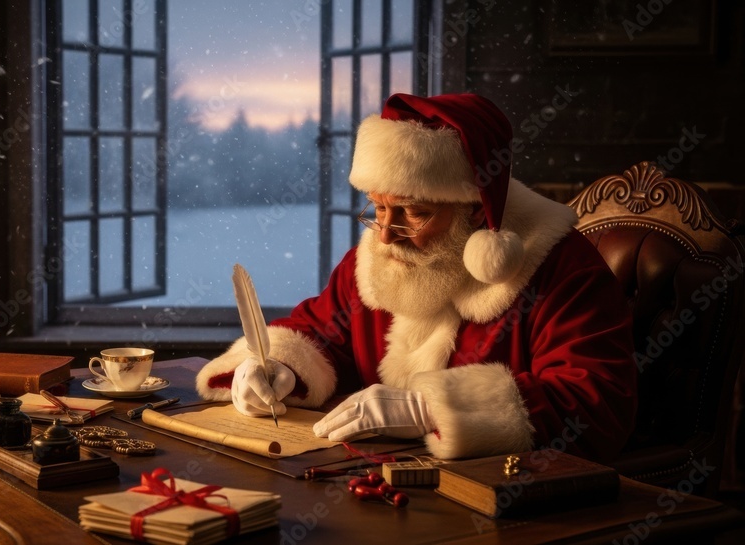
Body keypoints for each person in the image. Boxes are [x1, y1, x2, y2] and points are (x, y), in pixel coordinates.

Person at [195, 92, 638, 462]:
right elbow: (322, 332)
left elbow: (597, 405)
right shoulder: (373, 258)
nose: (386, 235)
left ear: (478, 209)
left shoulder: (562, 269)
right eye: (378, 207)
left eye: (416, 212)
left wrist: (429, 409)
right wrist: (277, 366)